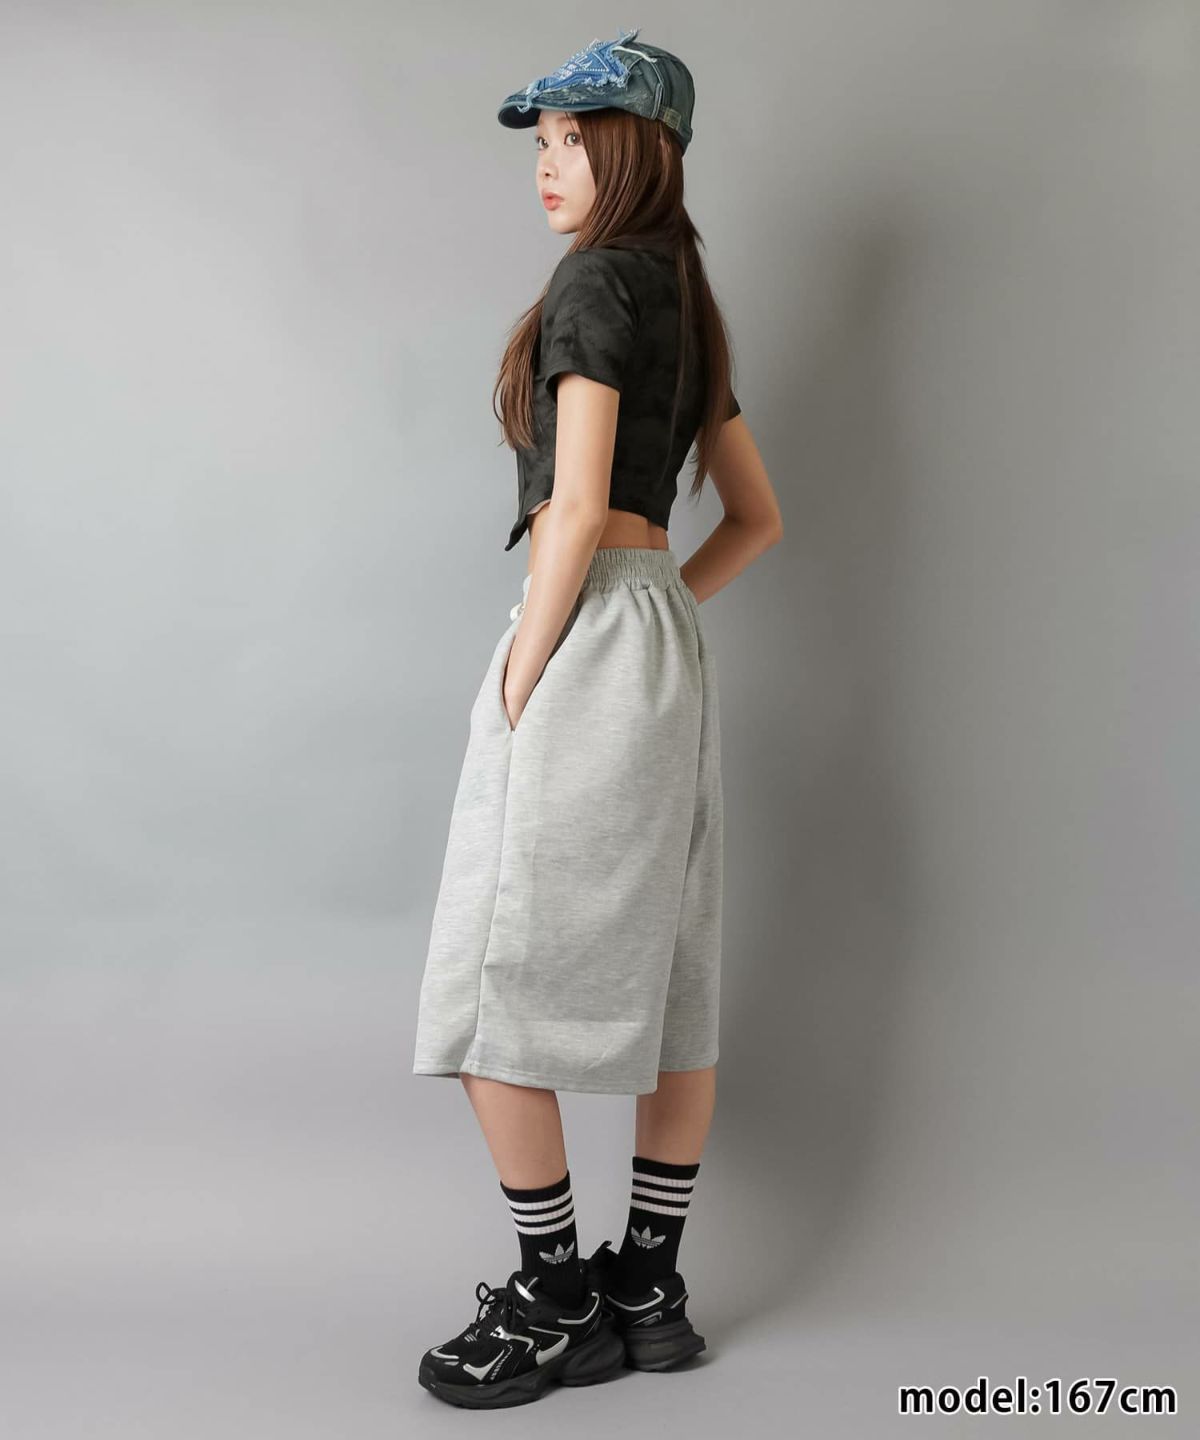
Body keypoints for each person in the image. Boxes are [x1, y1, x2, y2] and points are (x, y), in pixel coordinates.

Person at [411, 28, 783, 1409]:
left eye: (576, 139)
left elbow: (571, 509)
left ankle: (556, 1296)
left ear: (640, 151)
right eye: (546, 143)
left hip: (580, 634)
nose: (549, 166)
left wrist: (526, 673)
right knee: (672, 974)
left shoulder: (591, 284)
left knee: (485, 985)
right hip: (665, 649)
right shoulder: (691, 298)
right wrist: (659, 605)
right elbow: (759, 519)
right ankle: (649, 1290)